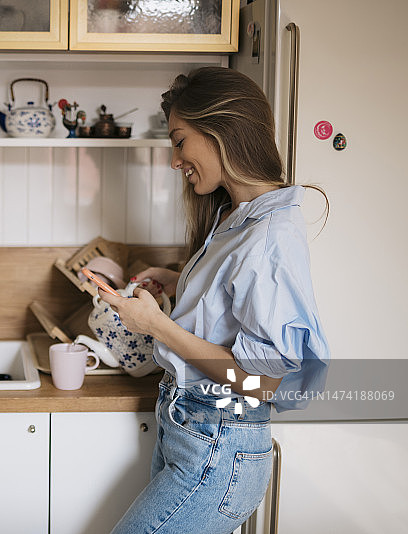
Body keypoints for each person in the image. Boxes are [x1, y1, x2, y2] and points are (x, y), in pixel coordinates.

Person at [99, 67, 331, 533]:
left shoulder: (269, 236)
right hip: (194, 433)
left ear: (221, 130)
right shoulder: (239, 216)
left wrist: (158, 326)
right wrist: (177, 277)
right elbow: (232, 299)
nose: (173, 160)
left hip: (217, 449)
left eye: (180, 141)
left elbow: (261, 383)